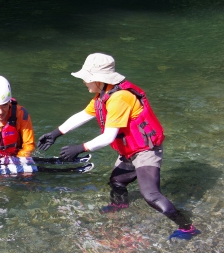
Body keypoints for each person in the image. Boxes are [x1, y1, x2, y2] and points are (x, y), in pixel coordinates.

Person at [37, 53, 200, 240]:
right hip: (128, 150)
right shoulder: (103, 95)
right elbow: (83, 115)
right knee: (117, 181)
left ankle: (187, 227)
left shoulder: (119, 98)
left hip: (146, 150)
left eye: (86, 78)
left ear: (98, 79)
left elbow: (108, 136)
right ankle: (120, 206)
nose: (84, 82)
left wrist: (80, 147)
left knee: (151, 195)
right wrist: (55, 133)